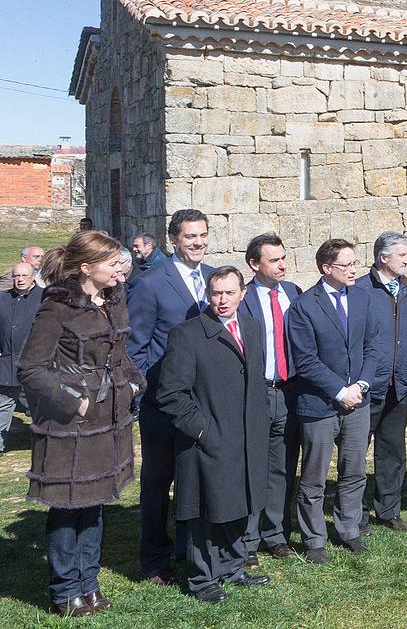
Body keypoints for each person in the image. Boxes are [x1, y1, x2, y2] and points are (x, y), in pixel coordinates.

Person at [19, 231, 143, 617]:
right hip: (70, 424)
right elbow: (31, 368)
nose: (120, 271)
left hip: (110, 419)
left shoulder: (112, 302)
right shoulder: (57, 307)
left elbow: (118, 355)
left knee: (95, 504)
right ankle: (64, 590)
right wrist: (75, 400)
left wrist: (136, 382)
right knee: (67, 506)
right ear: (87, 267)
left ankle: (89, 585)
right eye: (112, 264)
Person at [155, 268, 271, 603]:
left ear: (243, 294)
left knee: (239, 503)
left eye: (229, 293)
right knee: (205, 510)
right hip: (208, 441)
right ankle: (202, 578)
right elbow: (171, 394)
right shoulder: (187, 334)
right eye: (216, 293)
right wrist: (203, 430)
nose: (222, 301)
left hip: (246, 437)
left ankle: (232, 568)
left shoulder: (251, 327)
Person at [127, 208, 214, 584]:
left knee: (196, 479)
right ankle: (155, 558)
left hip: (204, 403)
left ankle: (189, 546)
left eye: (202, 235)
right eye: (189, 236)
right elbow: (136, 348)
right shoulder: (150, 283)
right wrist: (154, 391)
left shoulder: (214, 278)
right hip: (163, 405)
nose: (197, 242)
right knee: (158, 483)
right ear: (173, 240)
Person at [287, 238, 385, 563]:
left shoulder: (362, 297)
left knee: (354, 470)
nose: (354, 269)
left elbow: (372, 346)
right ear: (326, 268)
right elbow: (306, 360)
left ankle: (349, 530)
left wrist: (362, 384)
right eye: (347, 265)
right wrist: (340, 391)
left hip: (358, 401)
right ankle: (315, 540)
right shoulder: (304, 306)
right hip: (319, 405)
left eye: (355, 262)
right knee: (314, 475)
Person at [237, 234, 302, 561]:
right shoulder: (242, 299)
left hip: (288, 392)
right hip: (256, 392)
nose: (282, 264)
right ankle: (247, 540)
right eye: (274, 260)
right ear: (254, 264)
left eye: (284, 257)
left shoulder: (293, 293)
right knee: (252, 467)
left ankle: (276, 534)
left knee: (282, 465)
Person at [358, 232, 407, 534]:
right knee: (356, 451)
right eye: (403, 255)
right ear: (384, 258)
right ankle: (356, 513)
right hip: (369, 385)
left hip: (401, 383)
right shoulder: (359, 290)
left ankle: (389, 509)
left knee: (393, 449)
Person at [0, 262, 43, 454]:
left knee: (39, 405)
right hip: (7, 363)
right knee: (4, 404)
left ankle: (45, 443)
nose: (20, 280)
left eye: (24, 276)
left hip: (36, 363)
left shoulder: (44, 298)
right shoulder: (3, 298)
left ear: (33, 276)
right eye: (16, 276)